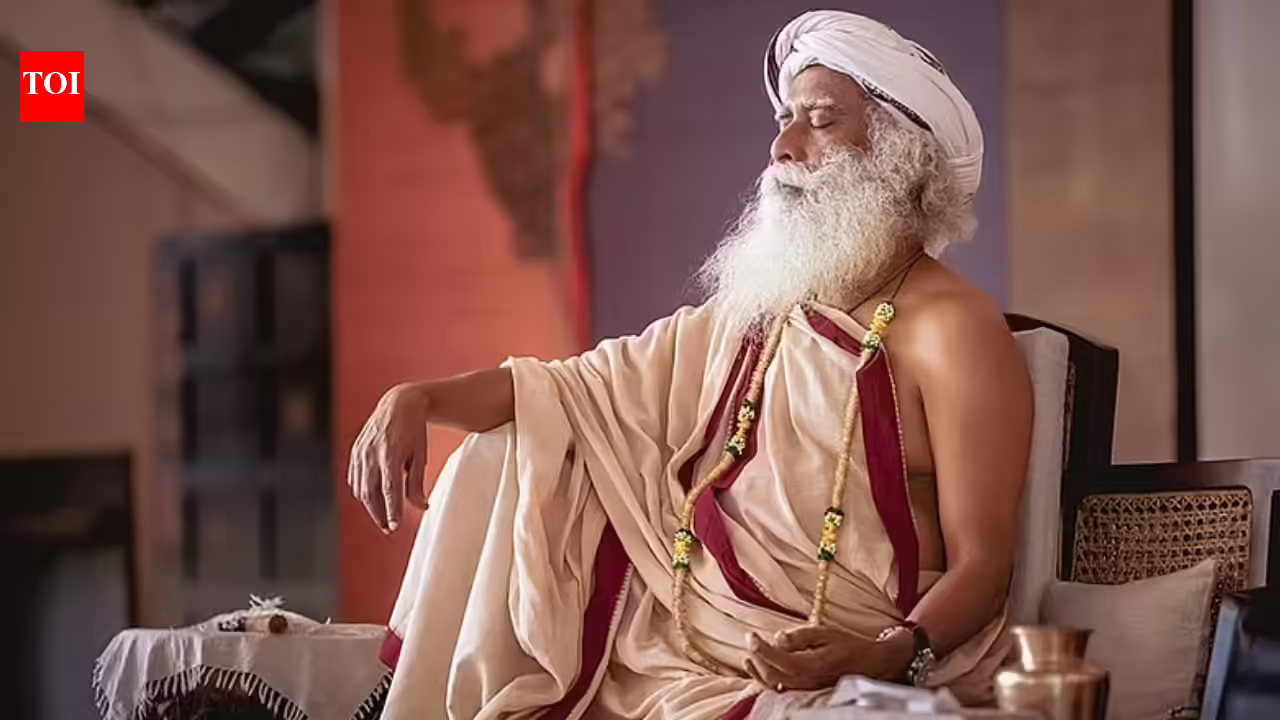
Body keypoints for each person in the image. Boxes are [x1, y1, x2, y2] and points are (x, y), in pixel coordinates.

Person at [348, 10, 1032, 719]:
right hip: (680, 632)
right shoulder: (768, 310)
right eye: (785, 120)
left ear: (900, 153)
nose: (784, 147)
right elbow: (574, 391)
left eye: (821, 120)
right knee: (504, 451)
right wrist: (420, 398)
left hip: (842, 651)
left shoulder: (953, 330)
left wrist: (881, 653)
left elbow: (984, 564)